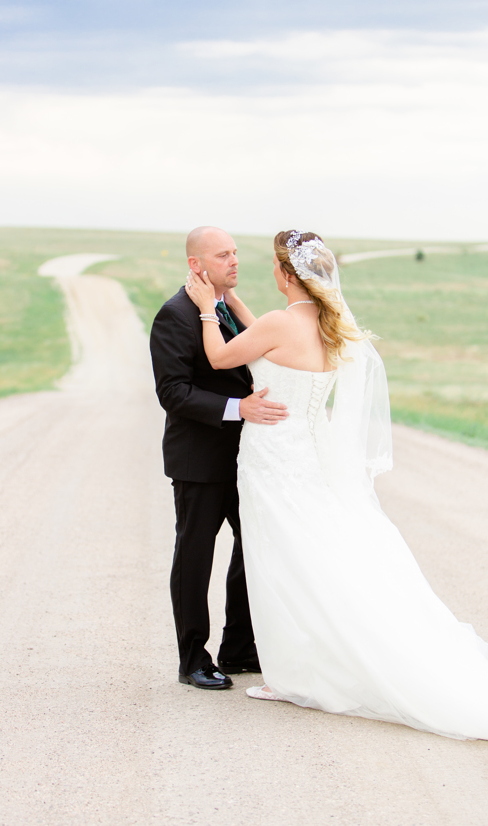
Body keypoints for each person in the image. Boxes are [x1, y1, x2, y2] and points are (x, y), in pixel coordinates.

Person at [185, 228, 488, 747]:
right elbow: (262, 336)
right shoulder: (329, 326)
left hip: (273, 455)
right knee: (304, 554)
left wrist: (207, 308)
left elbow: (224, 357)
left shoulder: (276, 324)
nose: (268, 271)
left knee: (278, 557)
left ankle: (292, 675)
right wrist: (229, 298)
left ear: (287, 275)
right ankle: (298, 664)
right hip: (306, 456)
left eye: (273, 266)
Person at [150, 227, 289, 690]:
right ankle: (192, 658)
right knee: (196, 555)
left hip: (249, 458)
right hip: (200, 460)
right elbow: (173, 393)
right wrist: (238, 409)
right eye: (222, 255)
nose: (234, 261)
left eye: (235, 253)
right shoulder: (175, 315)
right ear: (196, 265)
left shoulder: (228, 309)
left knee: (254, 548)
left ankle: (238, 648)